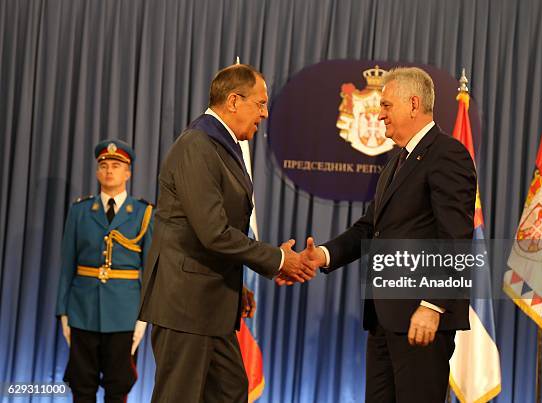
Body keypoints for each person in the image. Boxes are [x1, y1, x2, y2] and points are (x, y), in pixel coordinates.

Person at [291, 67, 476, 402]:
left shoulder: (447, 154)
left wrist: (432, 305)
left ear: (414, 104)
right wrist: (323, 254)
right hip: (384, 318)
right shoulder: (396, 162)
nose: (380, 114)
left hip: (421, 318)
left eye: (387, 106)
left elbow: (456, 239)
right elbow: (369, 227)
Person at [138, 64, 315, 403]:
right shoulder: (197, 145)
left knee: (230, 392)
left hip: (212, 303)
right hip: (186, 306)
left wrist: (235, 289)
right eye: (260, 104)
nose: (264, 114)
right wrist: (278, 259)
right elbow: (214, 233)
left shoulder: (220, 144)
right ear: (234, 101)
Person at [55, 139, 153, 403]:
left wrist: (144, 318)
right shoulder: (80, 211)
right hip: (82, 310)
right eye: (104, 165)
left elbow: (151, 271)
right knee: (81, 386)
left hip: (125, 313)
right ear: (97, 172)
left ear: (128, 173)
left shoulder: (144, 213)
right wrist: (63, 311)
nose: (109, 170)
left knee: (118, 387)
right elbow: (67, 264)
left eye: (117, 165)